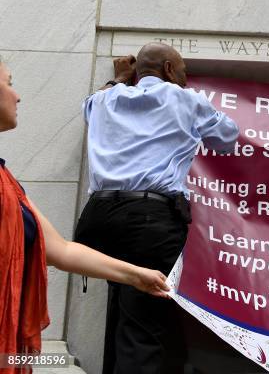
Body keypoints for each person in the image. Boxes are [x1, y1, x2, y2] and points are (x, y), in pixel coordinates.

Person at [75, 42, 239, 374]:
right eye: (182, 71)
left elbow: (89, 110)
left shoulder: (105, 98)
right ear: (168, 69)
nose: (185, 77)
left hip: (98, 218)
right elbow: (228, 136)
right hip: (150, 221)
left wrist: (119, 78)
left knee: (121, 310)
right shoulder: (185, 99)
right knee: (143, 325)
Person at [0, 60, 170, 373]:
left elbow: (60, 250)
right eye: (9, 83)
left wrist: (136, 275)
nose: (18, 95)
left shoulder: (8, 183)